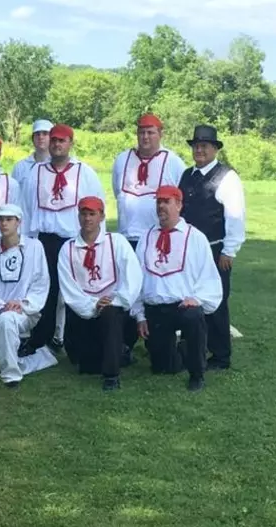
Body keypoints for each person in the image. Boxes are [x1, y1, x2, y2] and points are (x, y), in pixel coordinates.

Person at [21, 123, 104, 357]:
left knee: (76, 291)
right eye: (54, 140)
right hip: (45, 240)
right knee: (45, 291)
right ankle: (41, 338)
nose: (57, 145)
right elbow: (27, 208)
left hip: (73, 240)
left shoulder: (84, 172)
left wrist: (97, 243)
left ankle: (75, 340)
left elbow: (98, 206)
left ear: (70, 143)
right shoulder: (36, 172)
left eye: (62, 141)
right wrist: (27, 242)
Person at [111, 113, 187, 364]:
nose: (145, 137)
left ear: (160, 134)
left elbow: (178, 198)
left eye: (150, 132)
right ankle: (123, 343)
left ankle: (162, 335)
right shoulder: (123, 160)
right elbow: (117, 193)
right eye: (141, 131)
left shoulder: (173, 161)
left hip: (156, 240)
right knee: (125, 290)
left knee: (151, 289)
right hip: (127, 237)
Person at [131, 186, 223, 391]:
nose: (161, 206)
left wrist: (197, 299)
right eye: (158, 202)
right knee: (162, 367)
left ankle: (197, 373)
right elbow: (136, 278)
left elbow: (208, 276)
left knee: (194, 316)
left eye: (167, 201)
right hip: (156, 309)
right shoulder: (146, 237)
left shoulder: (195, 238)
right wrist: (140, 316)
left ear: (179, 205)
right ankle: (181, 349)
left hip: (182, 306)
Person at [178, 125, 246, 371]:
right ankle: (193, 348)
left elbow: (235, 216)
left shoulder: (226, 177)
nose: (199, 150)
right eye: (196, 145)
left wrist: (229, 250)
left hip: (215, 249)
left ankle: (220, 355)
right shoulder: (187, 175)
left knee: (216, 301)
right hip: (190, 251)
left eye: (205, 145)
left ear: (215, 149)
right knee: (191, 299)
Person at [57, 197, 142, 391]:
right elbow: (69, 288)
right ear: (78, 216)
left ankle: (112, 376)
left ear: (102, 216)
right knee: (87, 367)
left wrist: (116, 300)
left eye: (92, 214)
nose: (88, 219)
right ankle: (119, 353)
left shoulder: (117, 242)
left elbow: (133, 276)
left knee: (110, 315)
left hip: (113, 310)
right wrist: (93, 305)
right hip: (83, 313)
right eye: (84, 214)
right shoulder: (67, 249)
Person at [0, 203, 55, 388]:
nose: (4, 224)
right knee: (5, 321)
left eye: (9, 220)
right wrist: (1, 306)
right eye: (1, 220)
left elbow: (41, 282)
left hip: (26, 311)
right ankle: (40, 359)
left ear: (18, 222)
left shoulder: (35, 247)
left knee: (7, 321)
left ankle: (10, 375)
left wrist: (22, 303)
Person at [11, 119, 53, 187]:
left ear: (51, 138)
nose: (41, 137)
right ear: (33, 139)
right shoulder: (20, 167)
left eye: (45, 134)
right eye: (37, 134)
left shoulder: (58, 166)